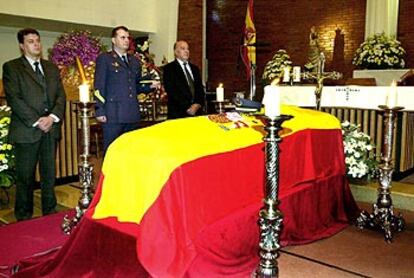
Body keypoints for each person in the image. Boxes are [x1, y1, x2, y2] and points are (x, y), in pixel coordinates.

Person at [2, 28, 66, 221]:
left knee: (49, 176)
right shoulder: (12, 67)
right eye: (31, 41)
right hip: (27, 131)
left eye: (37, 40)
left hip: (50, 129)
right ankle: (23, 217)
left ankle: (50, 213)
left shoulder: (51, 68)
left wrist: (52, 117)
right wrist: (37, 121)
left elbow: (60, 97)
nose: (36, 44)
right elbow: (15, 99)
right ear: (22, 45)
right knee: (25, 178)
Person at [94, 26, 158, 152]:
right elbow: (98, 86)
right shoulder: (105, 59)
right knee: (112, 151)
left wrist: (149, 86)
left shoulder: (134, 61)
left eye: (128, 37)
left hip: (131, 113)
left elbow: (135, 86)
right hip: (113, 114)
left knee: (130, 151)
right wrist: (99, 110)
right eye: (122, 37)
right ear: (113, 40)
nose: (126, 40)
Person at [163, 40, 205, 119]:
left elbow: (200, 89)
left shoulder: (195, 69)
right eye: (183, 48)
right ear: (176, 52)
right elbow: (171, 91)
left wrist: (197, 104)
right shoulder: (169, 69)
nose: (186, 51)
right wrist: (188, 107)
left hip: (197, 113)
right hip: (178, 114)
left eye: (187, 49)